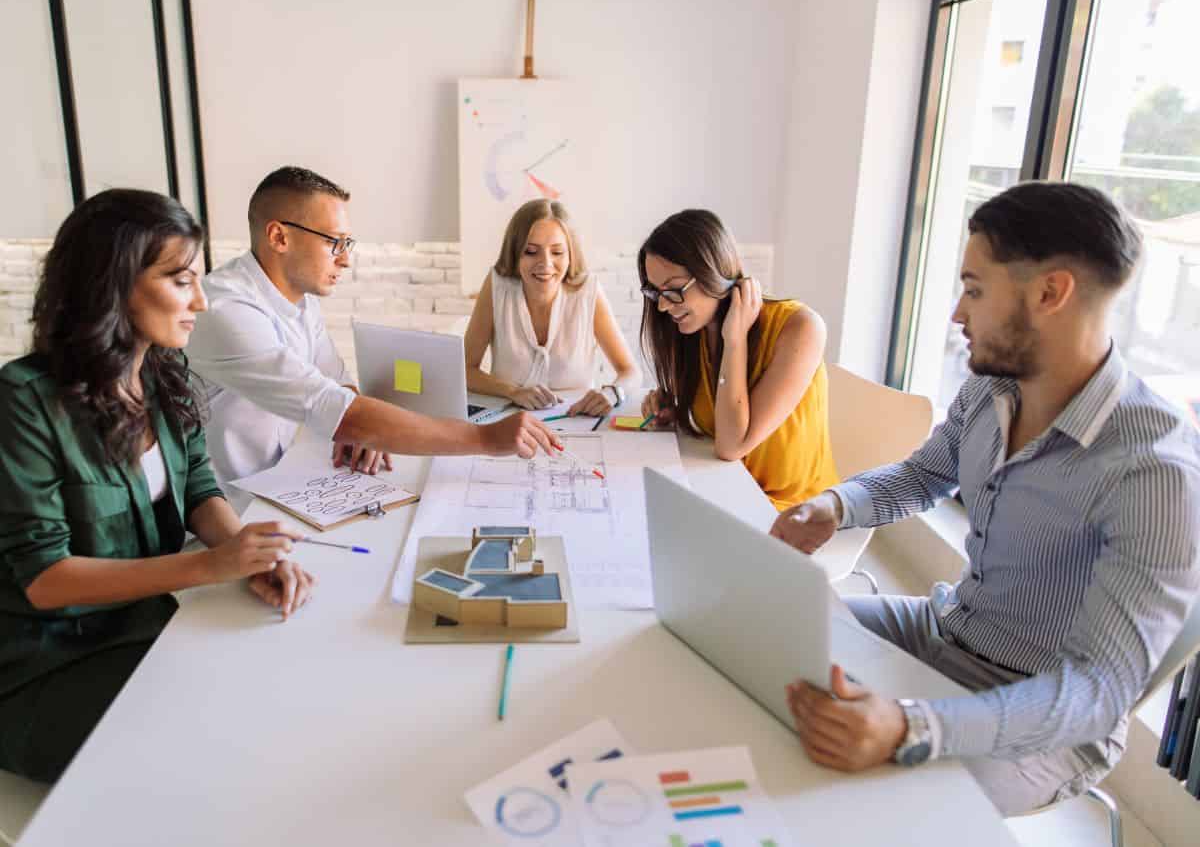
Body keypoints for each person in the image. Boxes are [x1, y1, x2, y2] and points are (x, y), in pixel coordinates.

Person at [771, 181, 1200, 815]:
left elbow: (1096, 691)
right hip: (943, 630)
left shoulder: (1156, 474)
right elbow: (922, 476)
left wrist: (915, 726)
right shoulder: (993, 389)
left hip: (1045, 714)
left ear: (1051, 293)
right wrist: (833, 507)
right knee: (765, 633)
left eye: (973, 289)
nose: (956, 313)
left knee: (855, 800)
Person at [0, 190, 315, 783]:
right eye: (180, 280)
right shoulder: (23, 401)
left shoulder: (164, 372)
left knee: (280, 692)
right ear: (111, 286)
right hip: (43, 666)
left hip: (143, 627)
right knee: (212, 754)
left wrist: (248, 553)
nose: (200, 300)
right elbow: (45, 580)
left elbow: (198, 488)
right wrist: (213, 566)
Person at [186, 167, 558, 508]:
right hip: (227, 514)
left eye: (348, 244)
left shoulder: (299, 299)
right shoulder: (226, 310)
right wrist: (485, 440)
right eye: (335, 243)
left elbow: (336, 381)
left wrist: (359, 430)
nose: (345, 259)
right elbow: (331, 405)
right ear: (278, 236)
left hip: (285, 487)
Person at [637, 209, 838, 509]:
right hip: (727, 491)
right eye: (655, 292)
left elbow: (732, 446)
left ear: (712, 272)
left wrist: (734, 340)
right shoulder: (696, 331)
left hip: (792, 511)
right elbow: (717, 428)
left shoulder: (801, 328)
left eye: (674, 290)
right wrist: (674, 409)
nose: (664, 306)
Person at [464, 199, 641, 415]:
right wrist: (513, 392)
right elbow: (465, 370)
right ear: (515, 252)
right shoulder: (497, 286)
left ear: (570, 254)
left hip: (577, 422)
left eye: (557, 252)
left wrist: (613, 393)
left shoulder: (588, 292)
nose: (546, 264)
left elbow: (631, 372)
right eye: (531, 251)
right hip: (510, 424)